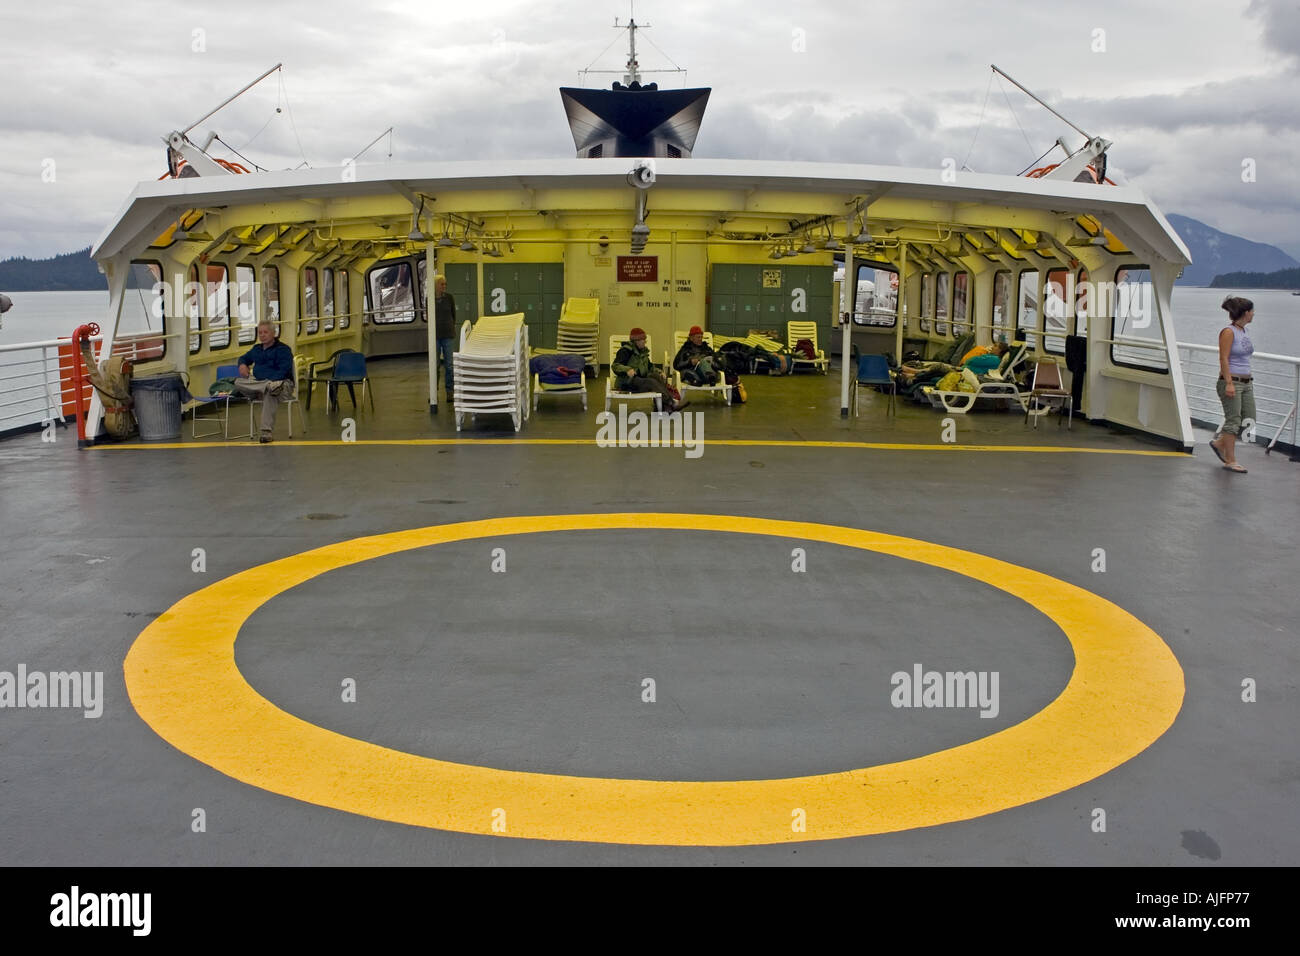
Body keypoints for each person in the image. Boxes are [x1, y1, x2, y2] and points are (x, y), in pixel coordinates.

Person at [1208, 296, 1255, 474]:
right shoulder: (1228, 332)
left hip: (1247, 382)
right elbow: (1224, 358)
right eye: (1251, 311)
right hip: (1231, 381)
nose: (1253, 314)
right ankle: (1230, 460)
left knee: (1249, 419)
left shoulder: (1244, 331)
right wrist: (1228, 383)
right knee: (1233, 421)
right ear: (1245, 312)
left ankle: (1220, 443)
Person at [234, 320, 295, 443]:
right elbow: (244, 358)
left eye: (265, 332)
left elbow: (283, 371)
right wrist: (242, 364)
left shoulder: (283, 350)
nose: (262, 335)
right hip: (261, 384)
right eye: (260, 332)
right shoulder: (256, 349)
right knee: (237, 382)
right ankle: (265, 386)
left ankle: (266, 433)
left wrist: (272, 382)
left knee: (271, 392)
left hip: (282, 385)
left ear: (274, 333)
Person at [613, 327, 689, 411]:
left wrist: (660, 372)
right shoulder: (625, 351)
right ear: (636, 341)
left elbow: (650, 367)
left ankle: (664, 406)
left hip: (639, 381)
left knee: (656, 376)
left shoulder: (643, 352)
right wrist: (627, 370)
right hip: (627, 382)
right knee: (650, 382)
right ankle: (671, 403)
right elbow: (615, 366)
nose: (645, 342)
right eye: (643, 340)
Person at [433, 275, 456, 402]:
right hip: (435, 336)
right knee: (434, 365)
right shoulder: (429, 299)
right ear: (436, 285)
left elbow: (453, 315)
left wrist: (451, 327)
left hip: (448, 334)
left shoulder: (449, 298)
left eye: (445, 284)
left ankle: (449, 391)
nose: (444, 286)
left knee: (449, 365)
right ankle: (433, 391)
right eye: (442, 284)